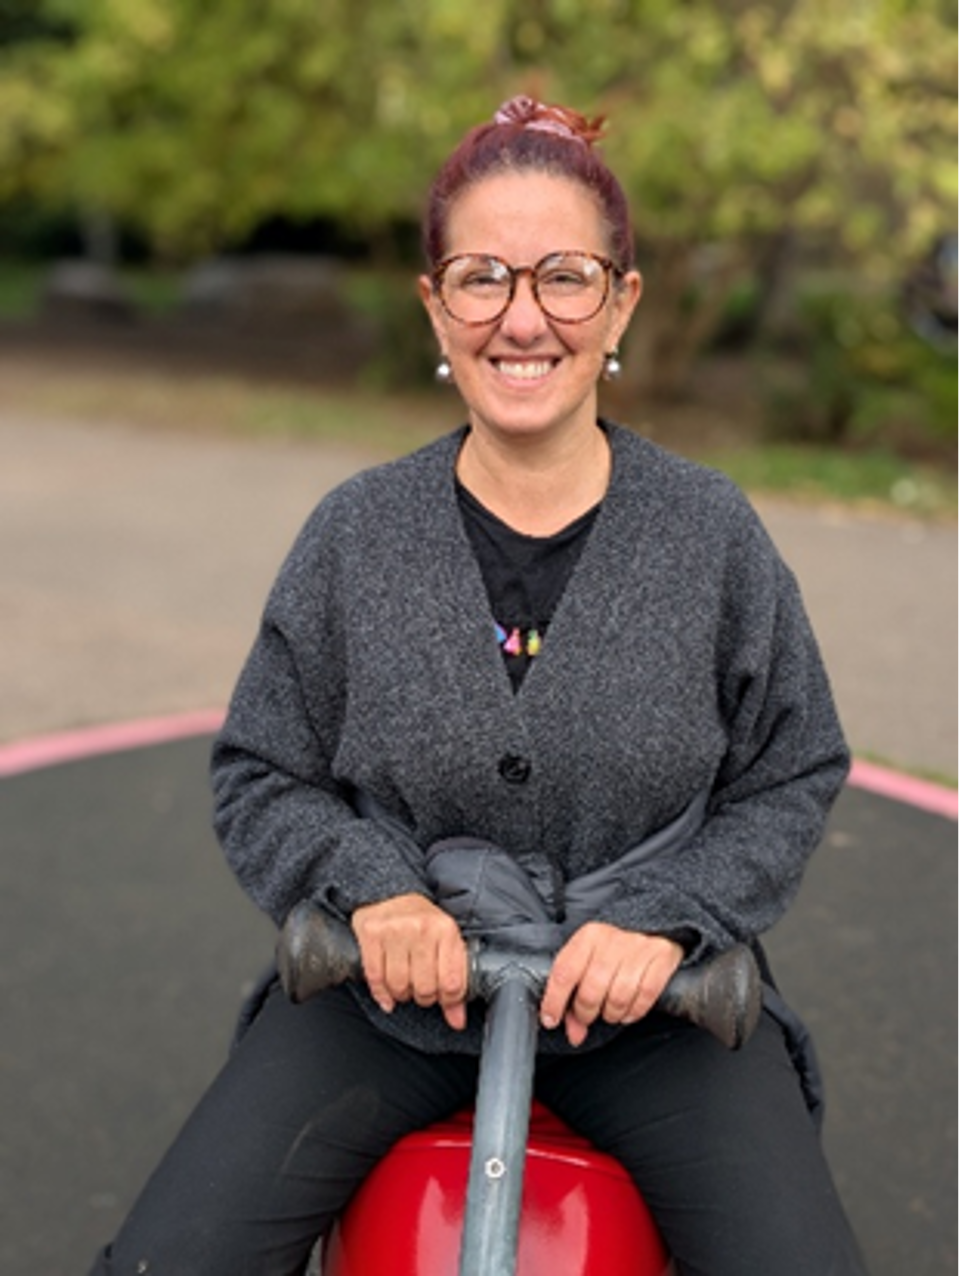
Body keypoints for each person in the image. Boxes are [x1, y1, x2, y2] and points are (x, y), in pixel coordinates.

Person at [91, 95, 865, 1277]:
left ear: (621, 301)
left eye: (563, 276)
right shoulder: (356, 534)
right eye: (480, 277)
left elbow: (793, 768)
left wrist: (671, 915)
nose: (522, 318)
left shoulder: (711, 535)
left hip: (650, 1017)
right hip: (391, 1000)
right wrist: (375, 893)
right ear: (433, 306)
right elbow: (264, 769)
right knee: (169, 1259)